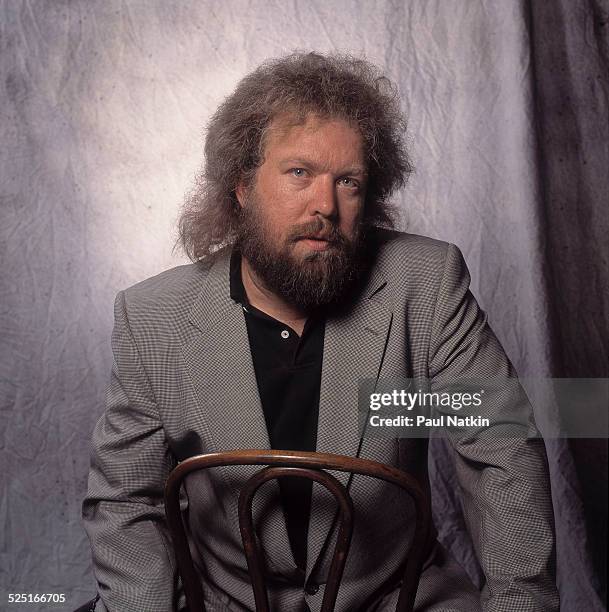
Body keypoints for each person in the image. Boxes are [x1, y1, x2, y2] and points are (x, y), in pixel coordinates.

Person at [82, 52, 559, 612]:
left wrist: (518, 604)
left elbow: (502, 449)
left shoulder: (424, 285)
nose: (325, 206)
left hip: (397, 599)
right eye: (299, 172)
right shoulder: (153, 316)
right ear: (242, 187)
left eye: (348, 181)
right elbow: (124, 499)